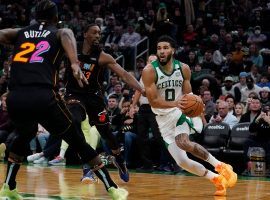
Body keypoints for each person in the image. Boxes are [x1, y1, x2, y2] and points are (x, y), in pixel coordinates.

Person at [0, 1, 128, 199]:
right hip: (43, 95)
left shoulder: (20, 32)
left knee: (24, 135)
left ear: (35, 16)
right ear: (55, 17)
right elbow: (67, 33)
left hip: (15, 98)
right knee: (76, 138)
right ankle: (112, 188)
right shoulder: (58, 32)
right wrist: (75, 64)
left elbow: (3, 33)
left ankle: (8, 186)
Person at [142, 35, 237, 196]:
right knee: (182, 161)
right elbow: (154, 101)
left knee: (183, 142)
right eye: (159, 48)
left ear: (172, 50)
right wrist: (175, 103)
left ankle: (221, 166)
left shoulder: (183, 68)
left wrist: (195, 108)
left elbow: (189, 95)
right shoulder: (149, 71)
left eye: (165, 48)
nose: (162, 51)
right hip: (162, 118)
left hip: (179, 113)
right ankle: (216, 179)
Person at [63, 23, 144, 183]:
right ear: (85, 34)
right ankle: (87, 167)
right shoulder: (72, 50)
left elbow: (124, 75)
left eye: (99, 33)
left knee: (107, 134)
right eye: (94, 33)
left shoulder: (102, 56)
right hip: (74, 94)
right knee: (74, 121)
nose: (98, 36)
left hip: (94, 98)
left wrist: (142, 89)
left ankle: (119, 159)